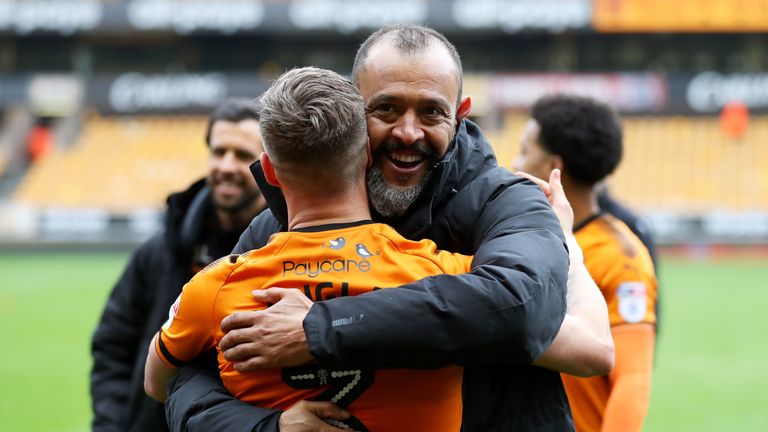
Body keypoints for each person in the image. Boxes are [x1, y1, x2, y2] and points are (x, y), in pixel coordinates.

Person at [166, 25, 613, 432]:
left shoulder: (508, 201)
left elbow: (519, 308)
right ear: (353, 108)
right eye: (386, 109)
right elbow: (190, 377)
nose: (408, 132)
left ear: (461, 114)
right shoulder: (276, 224)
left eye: (432, 113)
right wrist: (269, 428)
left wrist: (321, 328)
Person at [90, 98, 267, 432]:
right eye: (219, 151)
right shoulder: (159, 251)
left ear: (268, 164)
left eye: (242, 155)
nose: (227, 165)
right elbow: (112, 348)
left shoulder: (285, 254)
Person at [514, 94, 658, 432]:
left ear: (555, 167)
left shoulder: (619, 257)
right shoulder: (523, 235)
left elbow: (633, 380)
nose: (514, 161)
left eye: (523, 150)